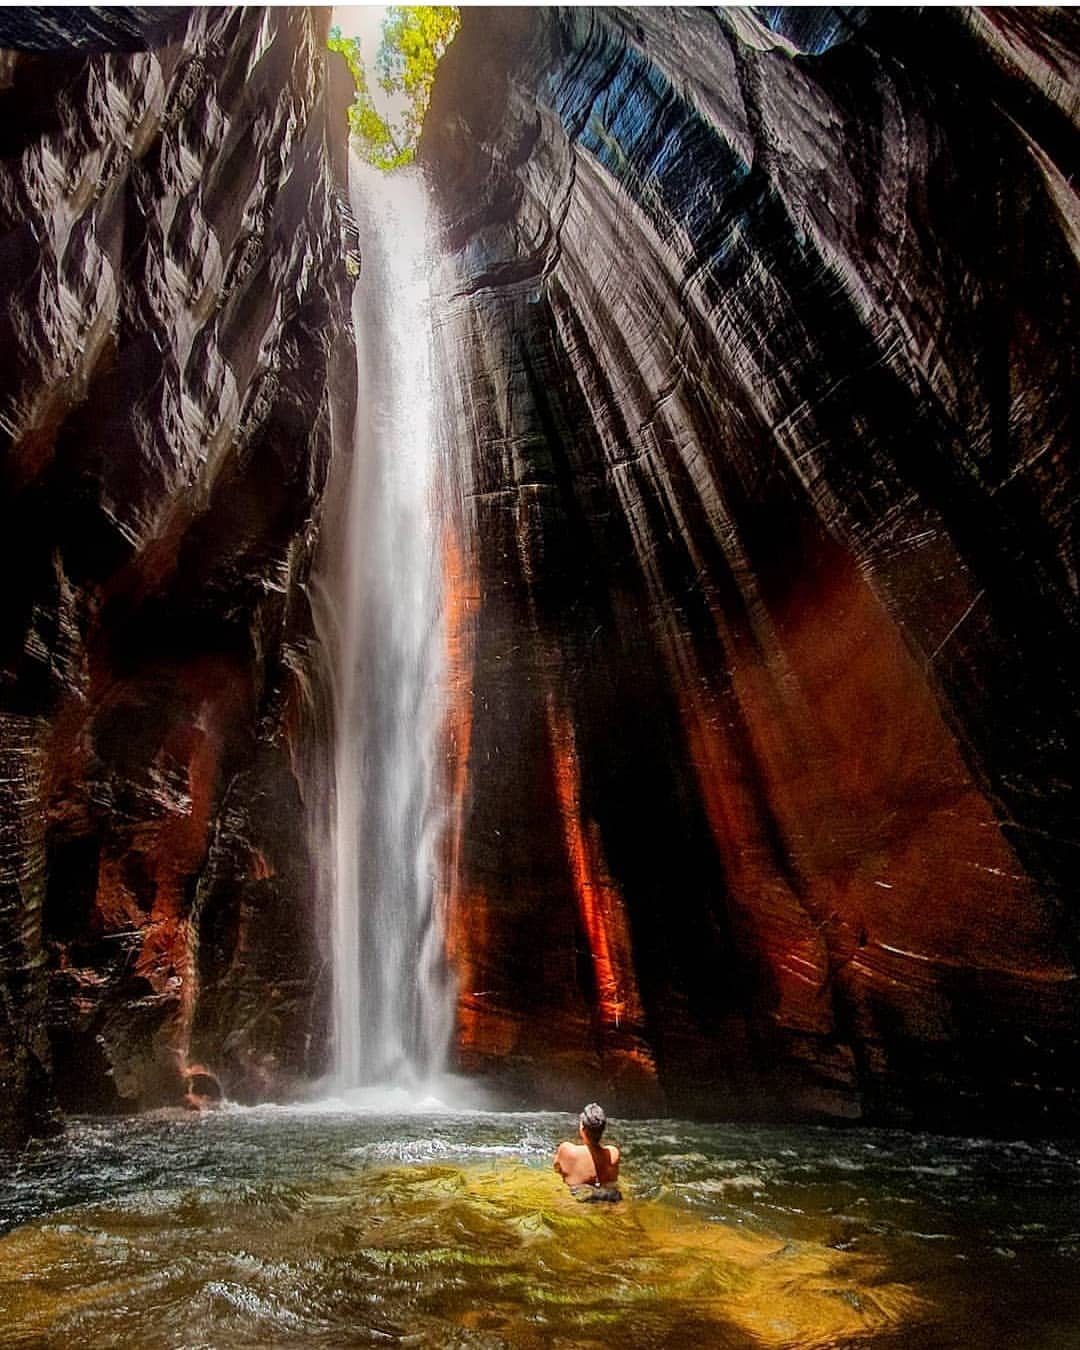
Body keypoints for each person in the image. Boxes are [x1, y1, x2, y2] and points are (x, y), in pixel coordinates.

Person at [553, 1102, 622, 1201]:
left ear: (582, 1128)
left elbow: (557, 1170)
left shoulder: (567, 1150)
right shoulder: (613, 1153)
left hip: (576, 1200)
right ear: (603, 1129)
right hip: (607, 1201)